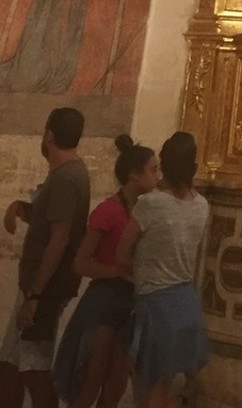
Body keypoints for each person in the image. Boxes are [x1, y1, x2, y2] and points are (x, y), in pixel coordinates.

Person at [53, 135, 158, 408]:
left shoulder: (147, 211)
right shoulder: (108, 211)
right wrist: (117, 272)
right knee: (91, 380)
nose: (158, 176)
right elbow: (81, 262)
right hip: (106, 300)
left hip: (130, 302)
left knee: (116, 384)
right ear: (135, 175)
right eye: (153, 169)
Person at [0, 106, 90, 408]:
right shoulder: (67, 174)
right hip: (36, 288)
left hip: (44, 291)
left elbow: (60, 238)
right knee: (11, 365)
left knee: (34, 369)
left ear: (49, 134)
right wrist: (21, 208)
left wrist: (35, 295)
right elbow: (51, 220)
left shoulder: (66, 178)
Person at [116, 131, 209, 408]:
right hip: (186, 302)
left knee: (149, 390)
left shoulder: (150, 204)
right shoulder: (202, 205)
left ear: (164, 165)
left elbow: (121, 254)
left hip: (156, 304)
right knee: (167, 384)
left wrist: (144, 269)